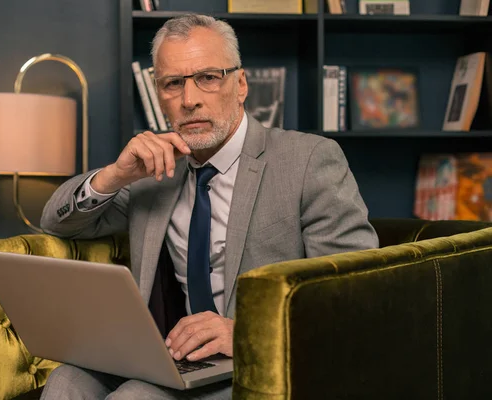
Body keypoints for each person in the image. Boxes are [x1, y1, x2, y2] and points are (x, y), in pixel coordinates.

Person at [39, 13, 379, 400]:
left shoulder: (309, 161)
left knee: (135, 397)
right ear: (158, 93)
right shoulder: (154, 172)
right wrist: (115, 175)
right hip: (174, 356)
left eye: (208, 77)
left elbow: (357, 297)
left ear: (240, 84)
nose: (189, 99)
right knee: (64, 382)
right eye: (173, 84)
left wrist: (245, 332)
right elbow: (56, 221)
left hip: (265, 359)